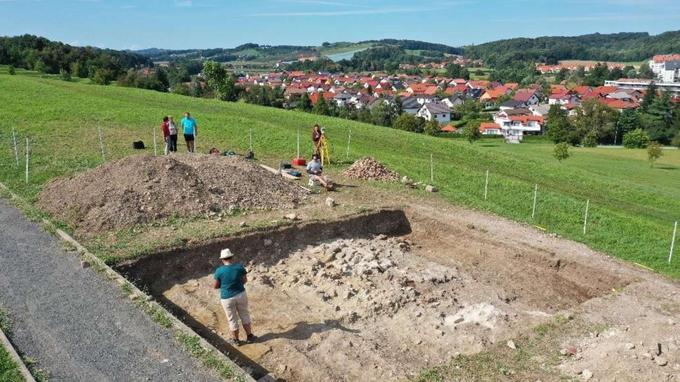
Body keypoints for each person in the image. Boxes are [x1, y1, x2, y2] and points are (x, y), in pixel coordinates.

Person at [213, 248, 256, 346]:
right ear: (231, 257)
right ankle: (250, 336)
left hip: (227, 298)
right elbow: (244, 280)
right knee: (244, 314)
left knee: (232, 319)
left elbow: (215, 286)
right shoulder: (239, 267)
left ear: (222, 259)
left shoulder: (219, 271)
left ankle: (236, 340)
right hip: (241, 294)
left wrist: (224, 286)